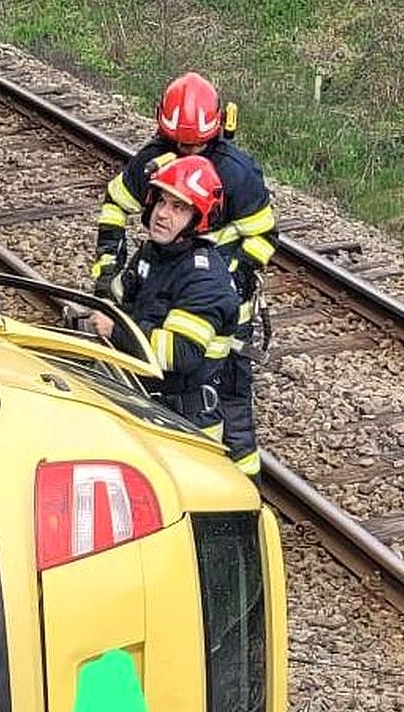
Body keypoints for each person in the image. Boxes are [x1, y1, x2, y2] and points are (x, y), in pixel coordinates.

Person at [91, 71, 274, 477]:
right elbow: (115, 204)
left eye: (194, 145)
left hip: (214, 297)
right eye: (179, 143)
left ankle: (243, 488)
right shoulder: (154, 163)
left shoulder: (237, 173)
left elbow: (263, 236)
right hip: (175, 282)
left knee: (227, 401)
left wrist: (231, 278)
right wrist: (107, 271)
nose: (186, 150)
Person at [89, 155, 238, 440]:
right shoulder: (154, 254)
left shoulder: (205, 279)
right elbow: (119, 300)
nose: (163, 214)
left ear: (197, 219)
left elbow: (180, 353)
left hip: (185, 427)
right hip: (144, 406)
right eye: (161, 202)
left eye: (178, 207)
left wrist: (115, 331)